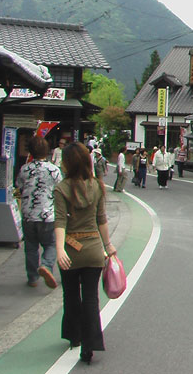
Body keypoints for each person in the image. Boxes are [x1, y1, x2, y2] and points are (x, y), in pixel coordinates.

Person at [54, 142, 116, 364]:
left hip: (70, 250)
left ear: (69, 164)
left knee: (71, 295)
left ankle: (75, 336)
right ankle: (90, 346)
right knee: (91, 299)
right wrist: (108, 246)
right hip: (93, 251)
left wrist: (60, 249)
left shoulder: (61, 188)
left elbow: (60, 221)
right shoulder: (97, 186)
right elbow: (102, 219)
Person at [16, 136, 62, 288]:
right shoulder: (54, 170)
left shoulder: (25, 169)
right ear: (47, 151)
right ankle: (46, 266)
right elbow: (60, 189)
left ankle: (33, 278)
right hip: (47, 214)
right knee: (50, 244)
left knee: (30, 246)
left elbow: (19, 187)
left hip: (28, 214)